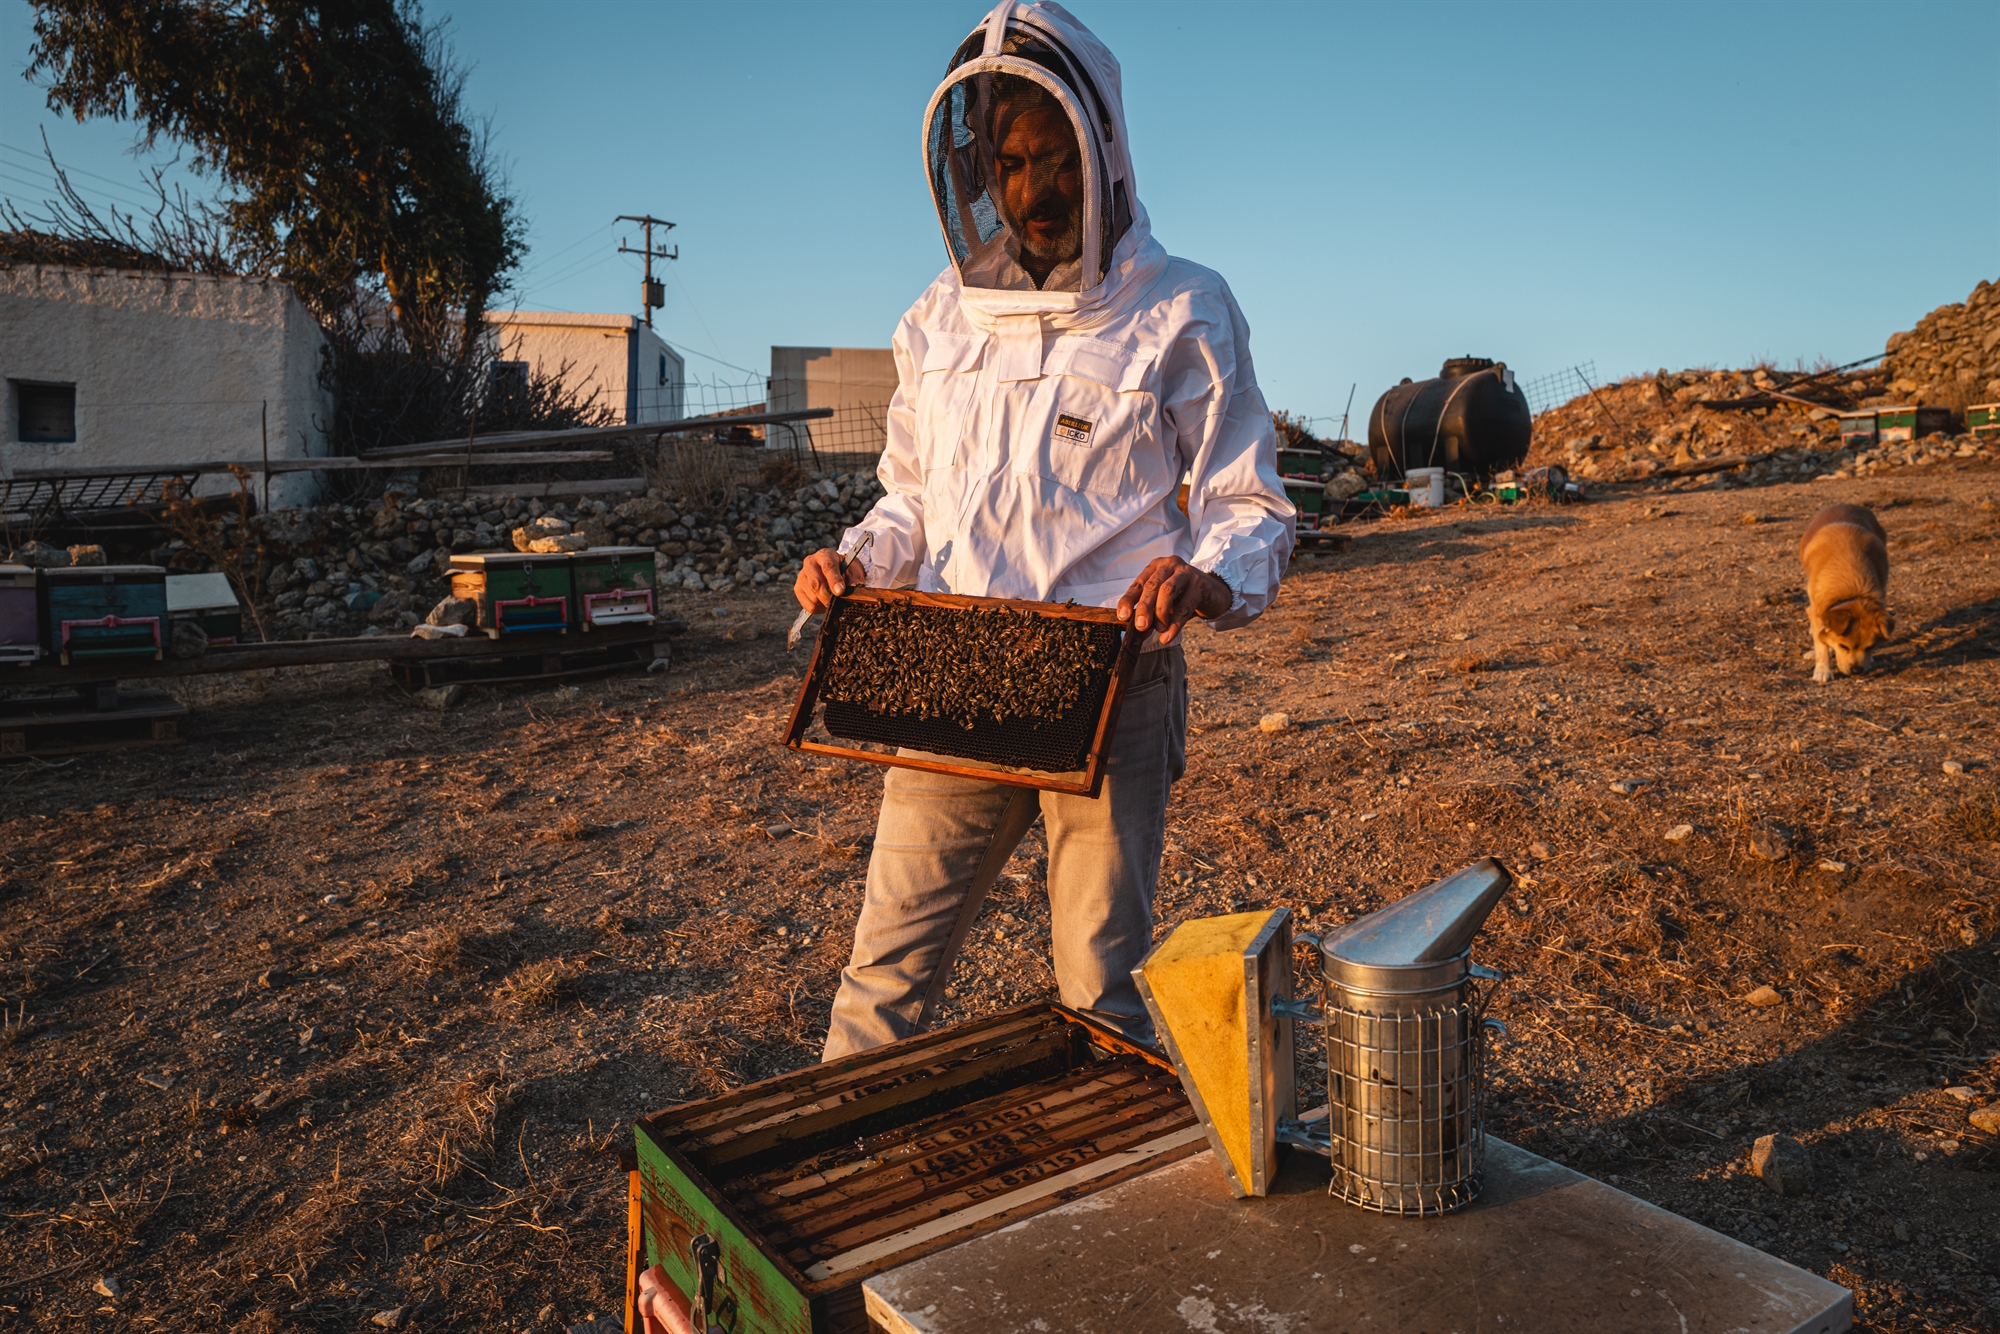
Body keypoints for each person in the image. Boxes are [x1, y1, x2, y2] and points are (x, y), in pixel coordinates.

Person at [795, 0, 1292, 1059]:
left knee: (1099, 995)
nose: (1030, 189)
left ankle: (1098, 1219)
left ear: (1100, 148)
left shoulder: (1183, 310)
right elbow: (910, 500)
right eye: (1006, 163)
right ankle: (828, 1188)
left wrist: (1200, 579)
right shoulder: (935, 318)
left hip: (1113, 682)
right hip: (958, 675)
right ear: (974, 169)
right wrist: (856, 559)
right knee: (881, 979)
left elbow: (1248, 507)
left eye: (1051, 155)